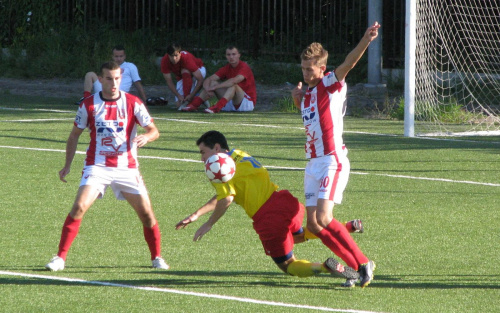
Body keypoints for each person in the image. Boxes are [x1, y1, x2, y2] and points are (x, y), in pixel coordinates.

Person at [175, 130, 363, 283]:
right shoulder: (239, 154)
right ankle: (347, 226)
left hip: (268, 218)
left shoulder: (219, 167)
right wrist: (197, 214)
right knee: (297, 236)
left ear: (216, 148)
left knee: (287, 265)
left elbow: (226, 198)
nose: (202, 159)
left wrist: (208, 223)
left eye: (203, 152)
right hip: (287, 203)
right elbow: (226, 193)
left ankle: (325, 267)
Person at [45, 61, 169, 271]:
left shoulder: (133, 102)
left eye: (117, 78)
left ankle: (156, 257)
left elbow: (154, 130)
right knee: (79, 207)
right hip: (97, 166)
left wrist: (147, 137)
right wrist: (67, 165)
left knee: (147, 214)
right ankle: (59, 258)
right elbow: (74, 135)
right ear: (100, 80)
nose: (114, 83)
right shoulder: (88, 105)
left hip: (126, 167)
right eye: (109, 79)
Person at [291, 22, 381, 288]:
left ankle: (363, 263)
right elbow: (310, 121)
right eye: (304, 69)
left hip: (332, 160)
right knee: (314, 225)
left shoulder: (330, 83)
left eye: (310, 69)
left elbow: (349, 63)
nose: (306, 73)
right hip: (313, 164)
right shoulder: (307, 94)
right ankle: (353, 269)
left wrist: (366, 39)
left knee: (325, 218)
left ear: (322, 68)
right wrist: (298, 100)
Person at [182, 46, 256, 113]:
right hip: (230, 102)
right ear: (226, 56)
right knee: (212, 82)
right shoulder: (227, 67)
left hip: (246, 103)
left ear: (239, 55)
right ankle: (194, 105)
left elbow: (234, 81)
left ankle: (217, 107)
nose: (231, 57)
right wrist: (208, 89)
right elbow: (209, 79)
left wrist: (215, 88)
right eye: (228, 55)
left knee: (234, 86)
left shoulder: (244, 67)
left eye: (234, 54)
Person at [77, 45, 147, 104]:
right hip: (105, 89)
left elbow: (137, 83)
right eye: (116, 56)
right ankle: (86, 99)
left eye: (121, 56)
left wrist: (144, 100)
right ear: (112, 56)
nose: (119, 59)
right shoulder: (109, 65)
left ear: (125, 56)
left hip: (119, 93)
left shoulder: (130, 66)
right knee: (90, 74)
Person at [160, 43, 207, 110]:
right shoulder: (165, 61)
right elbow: (169, 81)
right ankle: (200, 98)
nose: (174, 58)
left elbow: (200, 79)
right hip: (183, 77)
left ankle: (191, 99)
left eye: (176, 55)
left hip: (198, 70)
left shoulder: (186, 58)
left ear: (180, 53)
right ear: (168, 55)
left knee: (185, 70)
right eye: (171, 56)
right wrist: (178, 96)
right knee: (178, 105)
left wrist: (191, 95)